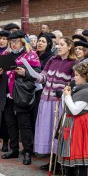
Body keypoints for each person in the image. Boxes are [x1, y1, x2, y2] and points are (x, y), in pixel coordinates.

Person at [54, 62, 88, 176]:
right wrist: (65, 95)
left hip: (80, 124)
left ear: (86, 76)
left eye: (77, 75)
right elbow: (67, 107)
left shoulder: (87, 92)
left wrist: (67, 96)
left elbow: (75, 110)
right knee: (68, 152)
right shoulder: (78, 88)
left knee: (80, 154)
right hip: (70, 123)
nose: (74, 78)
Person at [0, 30, 40, 165]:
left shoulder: (31, 55)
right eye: (11, 42)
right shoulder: (5, 54)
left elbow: (37, 74)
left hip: (21, 94)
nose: (13, 44)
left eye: (15, 41)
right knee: (10, 123)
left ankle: (27, 151)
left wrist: (25, 73)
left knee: (24, 124)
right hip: (7, 93)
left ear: (22, 41)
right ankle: (13, 149)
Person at [34, 37, 76, 165]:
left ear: (69, 46)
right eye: (58, 44)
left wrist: (65, 91)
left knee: (58, 130)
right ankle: (51, 159)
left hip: (59, 101)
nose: (59, 47)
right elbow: (44, 76)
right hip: (46, 99)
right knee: (47, 130)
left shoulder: (73, 63)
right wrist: (34, 76)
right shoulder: (52, 59)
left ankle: (59, 161)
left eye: (62, 44)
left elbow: (74, 83)